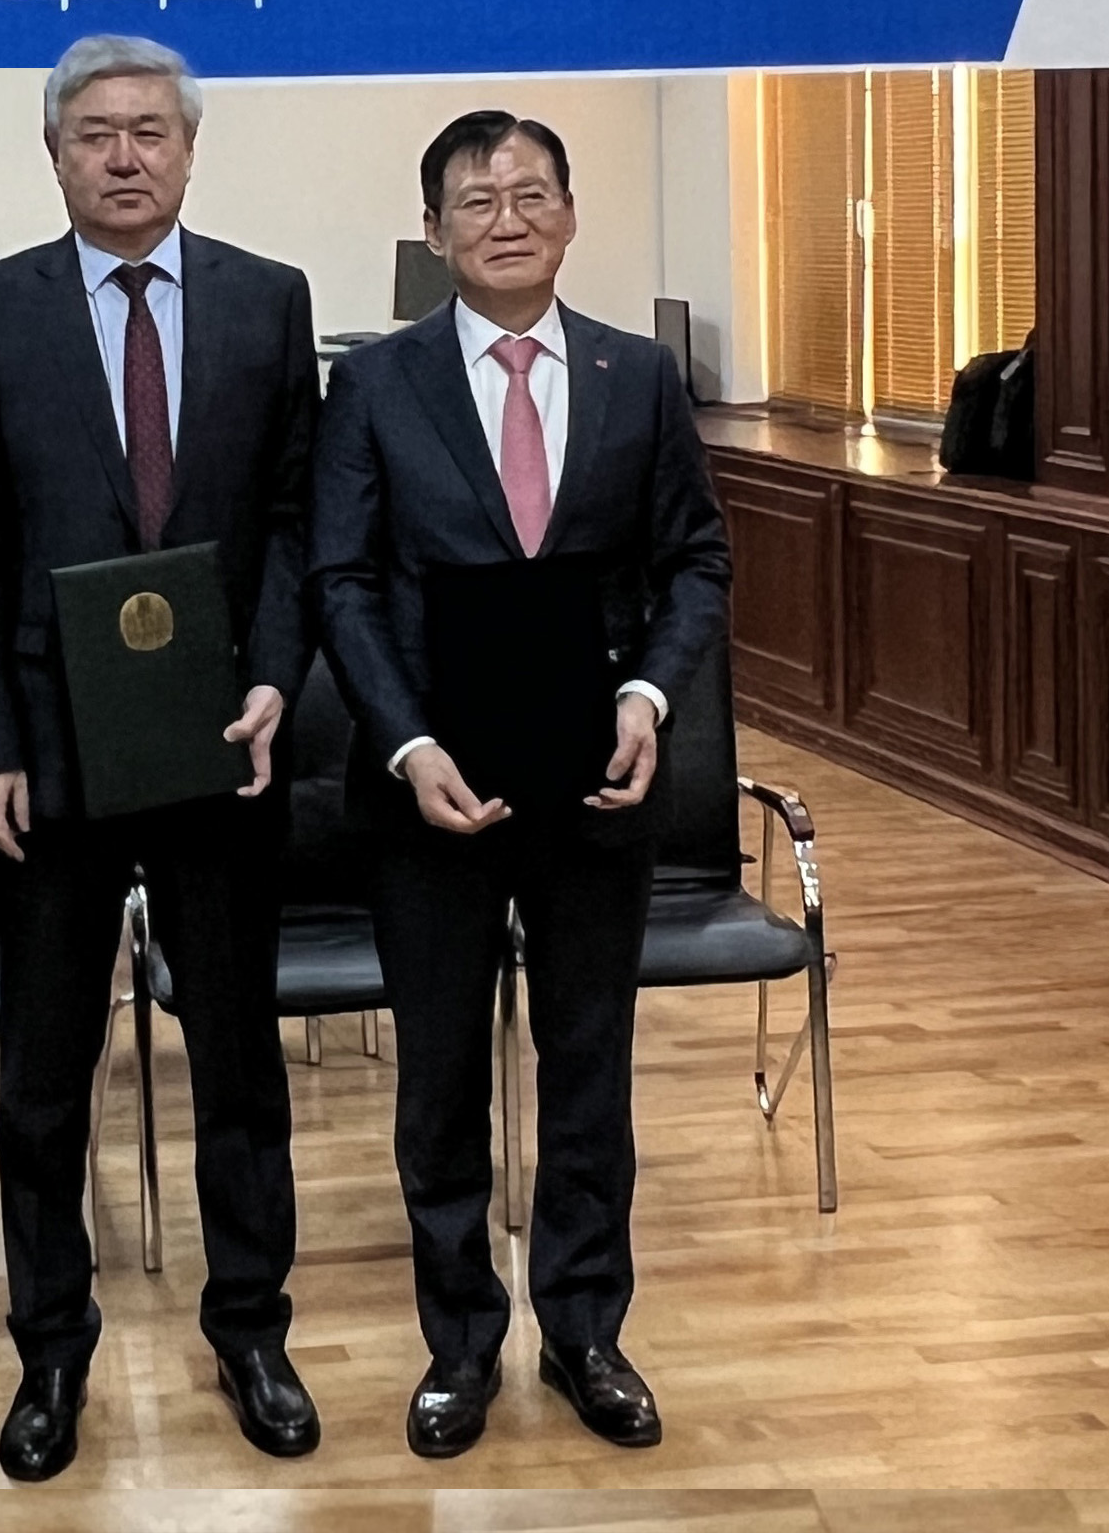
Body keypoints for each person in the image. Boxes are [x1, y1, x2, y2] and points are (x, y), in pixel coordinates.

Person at [0, 35, 323, 1480]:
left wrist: (279, 676)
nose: (125, 154)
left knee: (236, 1061)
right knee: (43, 1076)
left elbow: (293, 523)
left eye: (150, 129)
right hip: (45, 756)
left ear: (190, 145)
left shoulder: (268, 303)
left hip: (223, 741)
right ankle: (52, 1350)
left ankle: (252, 1329)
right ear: (54, 153)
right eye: (94, 132)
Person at [309, 110, 729, 1457]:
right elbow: (343, 580)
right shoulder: (375, 386)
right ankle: (460, 1345)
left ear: (567, 215)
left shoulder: (636, 376)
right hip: (426, 788)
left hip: (592, 787)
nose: (506, 217)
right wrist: (406, 743)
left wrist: (652, 696)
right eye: (476, 200)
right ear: (433, 232)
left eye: (531, 193)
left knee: (589, 1066)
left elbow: (694, 563)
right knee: (439, 1081)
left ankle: (588, 1332)